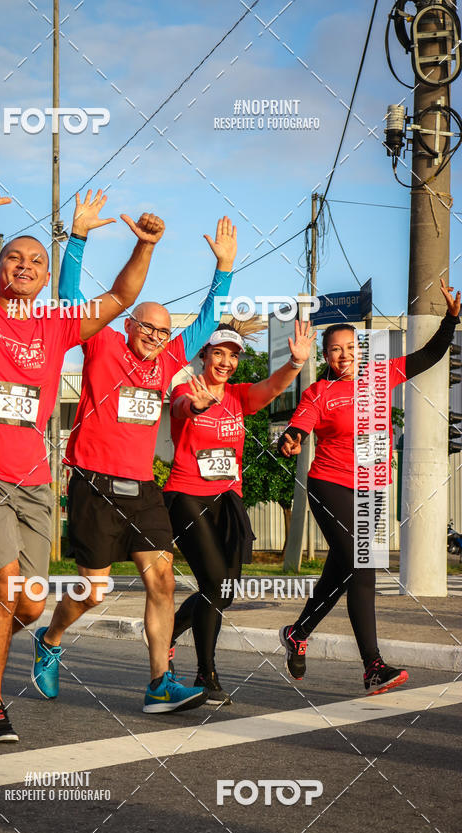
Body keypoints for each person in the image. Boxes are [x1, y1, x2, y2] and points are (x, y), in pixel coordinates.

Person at [0, 183, 164, 742]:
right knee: (3, 584)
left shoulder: (57, 324)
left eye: (37, 261)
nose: (25, 266)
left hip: (34, 481)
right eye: (15, 258)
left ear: (47, 279)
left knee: (29, 604)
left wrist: (143, 246)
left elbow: (121, 297)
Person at [32, 212, 238, 713]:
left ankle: (159, 684)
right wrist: (78, 238)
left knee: (162, 580)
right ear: (128, 324)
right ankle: (52, 637)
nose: (153, 335)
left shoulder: (169, 359)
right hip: (93, 483)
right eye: (146, 326)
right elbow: (69, 299)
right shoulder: (101, 342)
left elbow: (209, 319)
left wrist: (225, 270)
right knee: (93, 591)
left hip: (142, 486)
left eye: (162, 331)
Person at [278, 277, 461, 695]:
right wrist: (291, 438)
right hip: (330, 484)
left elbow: (428, 355)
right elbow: (300, 423)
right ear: (325, 356)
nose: (344, 355)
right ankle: (372, 666)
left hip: (372, 488)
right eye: (335, 350)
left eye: (350, 347)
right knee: (362, 567)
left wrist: (451, 320)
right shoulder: (319, 391)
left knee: (341, 572)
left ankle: (298, 632)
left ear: (361, 350)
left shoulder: (381, 376)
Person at [163, 319, 315, 704]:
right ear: (204, 355)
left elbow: (272, 388)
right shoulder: (186, 387)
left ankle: (168, 633)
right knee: (215, 585)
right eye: (219, 353)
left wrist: (294, 364)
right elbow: (180, 407)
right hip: (187, 496)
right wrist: (194, 403)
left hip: (228, 499)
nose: (226, 361)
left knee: (225, 592)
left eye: (232, 355)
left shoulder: (237, 397)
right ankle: (206, 674)